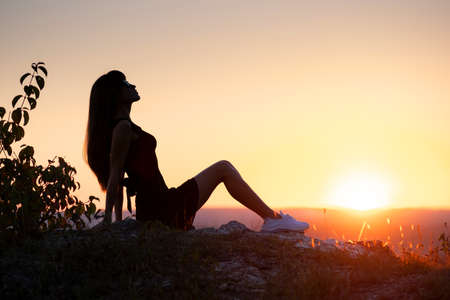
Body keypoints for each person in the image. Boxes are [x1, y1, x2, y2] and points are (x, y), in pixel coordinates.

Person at [84, 70, 309, 232]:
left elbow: (122, 175)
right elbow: (115, 177)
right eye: (125, 84)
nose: (132, 86)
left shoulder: (126, 126)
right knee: (224, 168)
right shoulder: (122, 128)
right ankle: (272, 218)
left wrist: (118, 223)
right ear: (115, 95)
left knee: (224, 167)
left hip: (161, 204)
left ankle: (273, 218)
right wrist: (110, 226)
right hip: (162, 210)